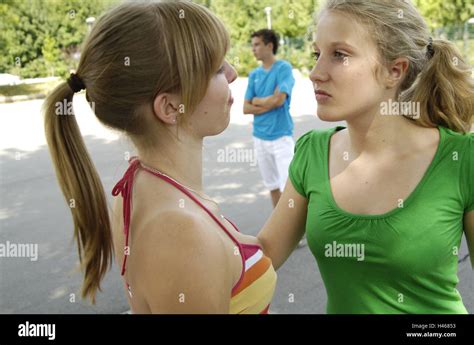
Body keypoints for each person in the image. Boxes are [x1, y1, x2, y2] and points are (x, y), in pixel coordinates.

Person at [43, 1, 276, 314]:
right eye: (217, 68)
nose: (233, 74)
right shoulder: (183, 236)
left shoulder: (136, 185)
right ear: (169, 108)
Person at [257, 0, 473, 313]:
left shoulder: (462, 159)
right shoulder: (312, 153)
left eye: (339, 55)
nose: (316, 73)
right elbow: (264, 254)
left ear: (394, 71)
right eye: (317, 54)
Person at [243, 29, 296, 209]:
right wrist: (269, 102)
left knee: (290, 189)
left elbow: (280, 99)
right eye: (252, 45)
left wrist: (258, 100)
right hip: (259, 138)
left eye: (257, 44)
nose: (253, 49)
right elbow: (245, 107)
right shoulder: (254, 75)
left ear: (269, 46)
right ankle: (279, 230)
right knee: (272, 186)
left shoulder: (283, 68)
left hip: (281, 137)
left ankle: (296, 233)